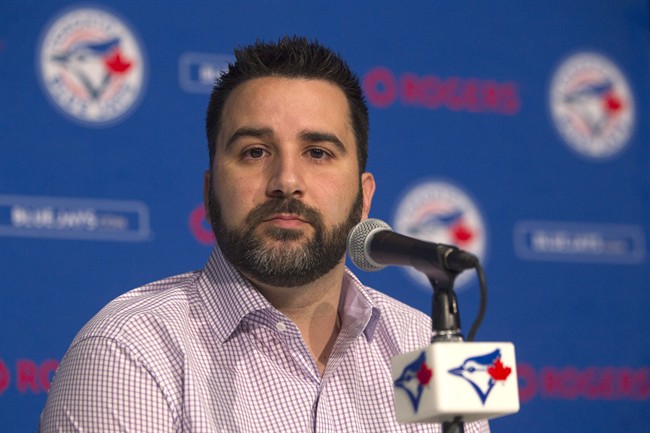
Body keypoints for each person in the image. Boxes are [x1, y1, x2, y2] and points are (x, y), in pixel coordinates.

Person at [40, 36, 489, 432]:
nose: (286, 180)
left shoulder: (429, 347)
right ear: (210, 189)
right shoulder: (129, 350)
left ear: (364, 196)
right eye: (255, 152)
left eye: (317, 152)